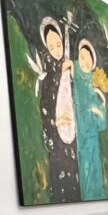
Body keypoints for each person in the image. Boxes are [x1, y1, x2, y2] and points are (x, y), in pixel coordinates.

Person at [36, 17, 80, 203]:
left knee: (75, 175)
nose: (57, 50)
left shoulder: (70, 70)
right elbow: (45, 107)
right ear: (47, 48)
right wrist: (60, 75)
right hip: (56, 137)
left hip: (73, 134)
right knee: (61, 175)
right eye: (51, 47)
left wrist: (71, 74)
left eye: (59, 45)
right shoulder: (48, 77)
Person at [72, 40, 107, 200]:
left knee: (92, 172)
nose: (84, 62)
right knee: (81, 171)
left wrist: (98, 110)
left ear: (93, 61)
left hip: (91, 138)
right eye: (81, 57)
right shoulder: (75, 76)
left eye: (88, 58)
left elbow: (102, 124)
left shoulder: (95, 84)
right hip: (76, 136)